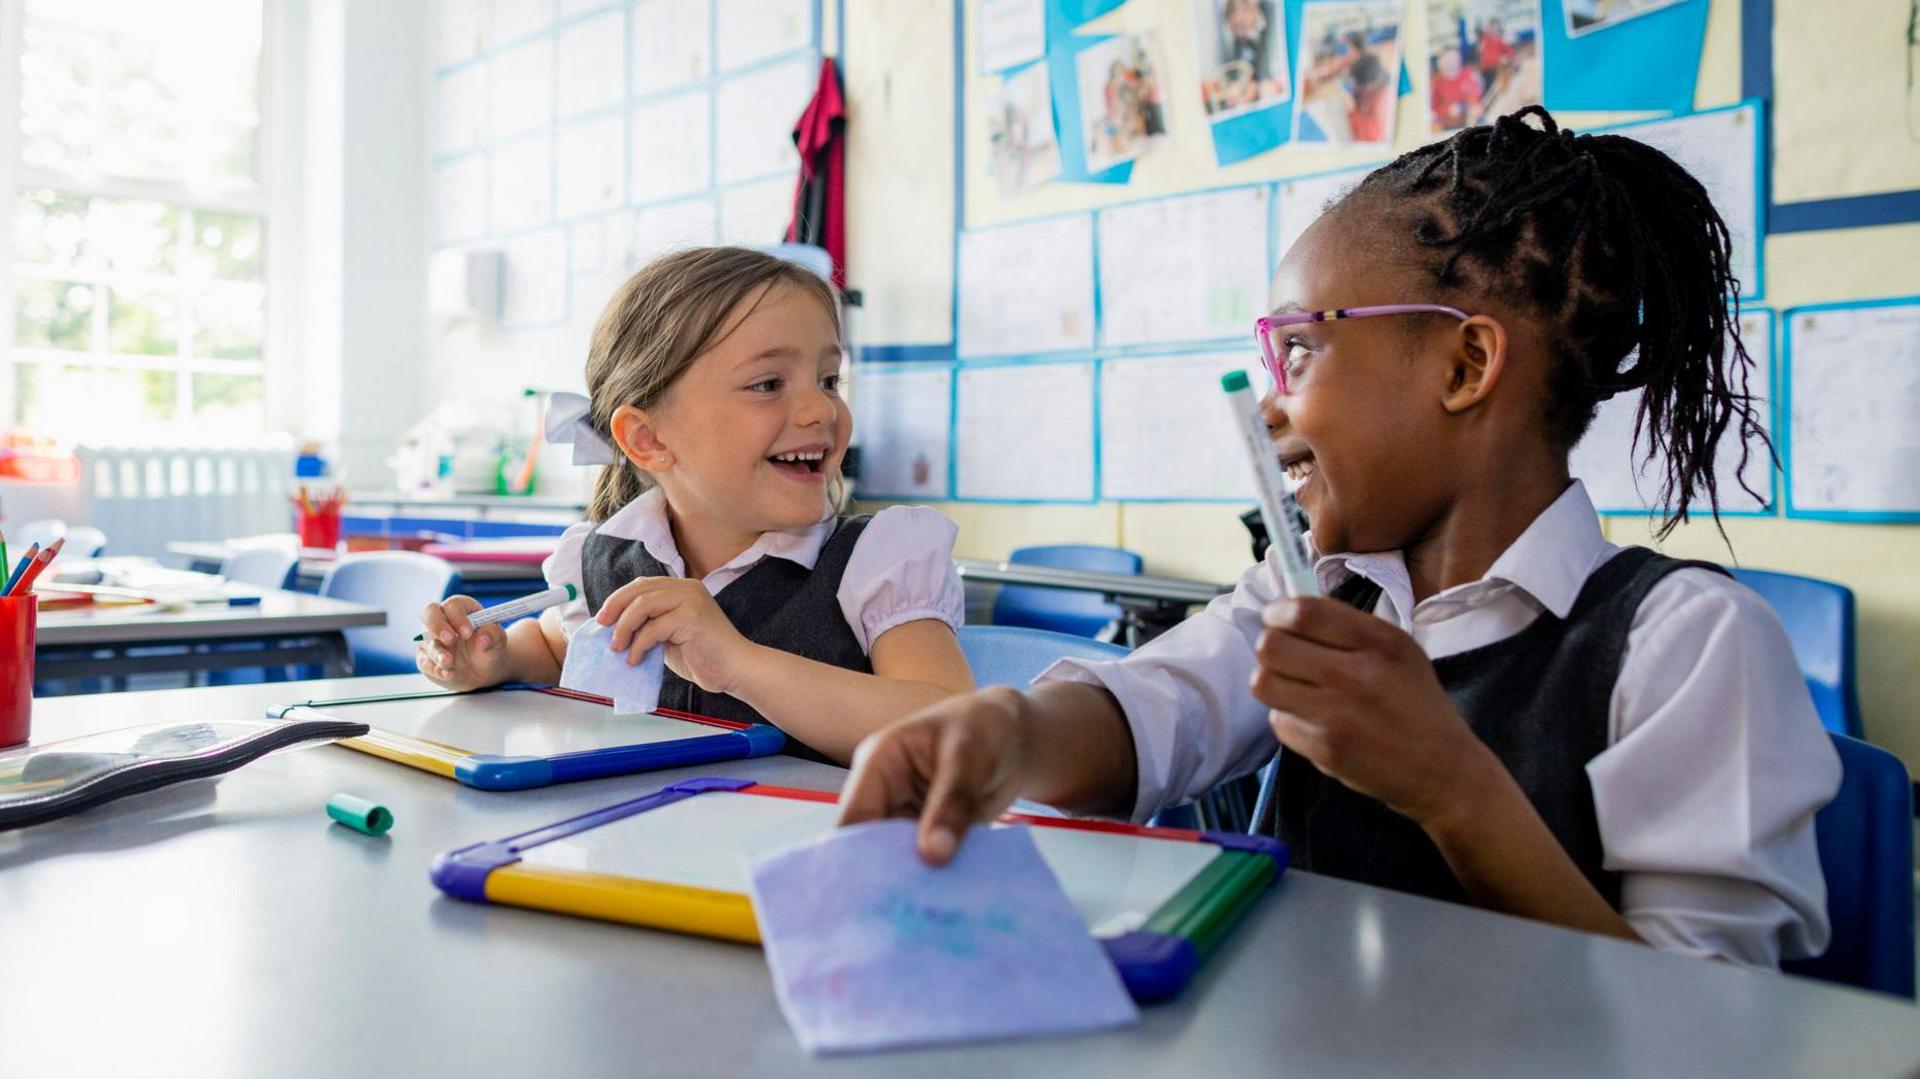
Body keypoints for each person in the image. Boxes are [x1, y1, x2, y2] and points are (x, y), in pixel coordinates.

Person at [839, 108, 1839, 970]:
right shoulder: (1313, 589)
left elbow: (1708, 1026)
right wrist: (1011, 733)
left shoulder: (1685, 644)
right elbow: (1154, 712)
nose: (1272, 408)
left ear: (1465, 364)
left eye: (1302, 351)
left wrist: (1453, 788)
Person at [418, 246, 974, 764]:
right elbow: (555, 644)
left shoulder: (879, 561)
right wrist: (496, 657)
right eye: (767, 384)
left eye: (829, 379)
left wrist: (737, 663)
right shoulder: (609, 556)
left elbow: (955, 733)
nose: (821, 410)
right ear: (649, 440)